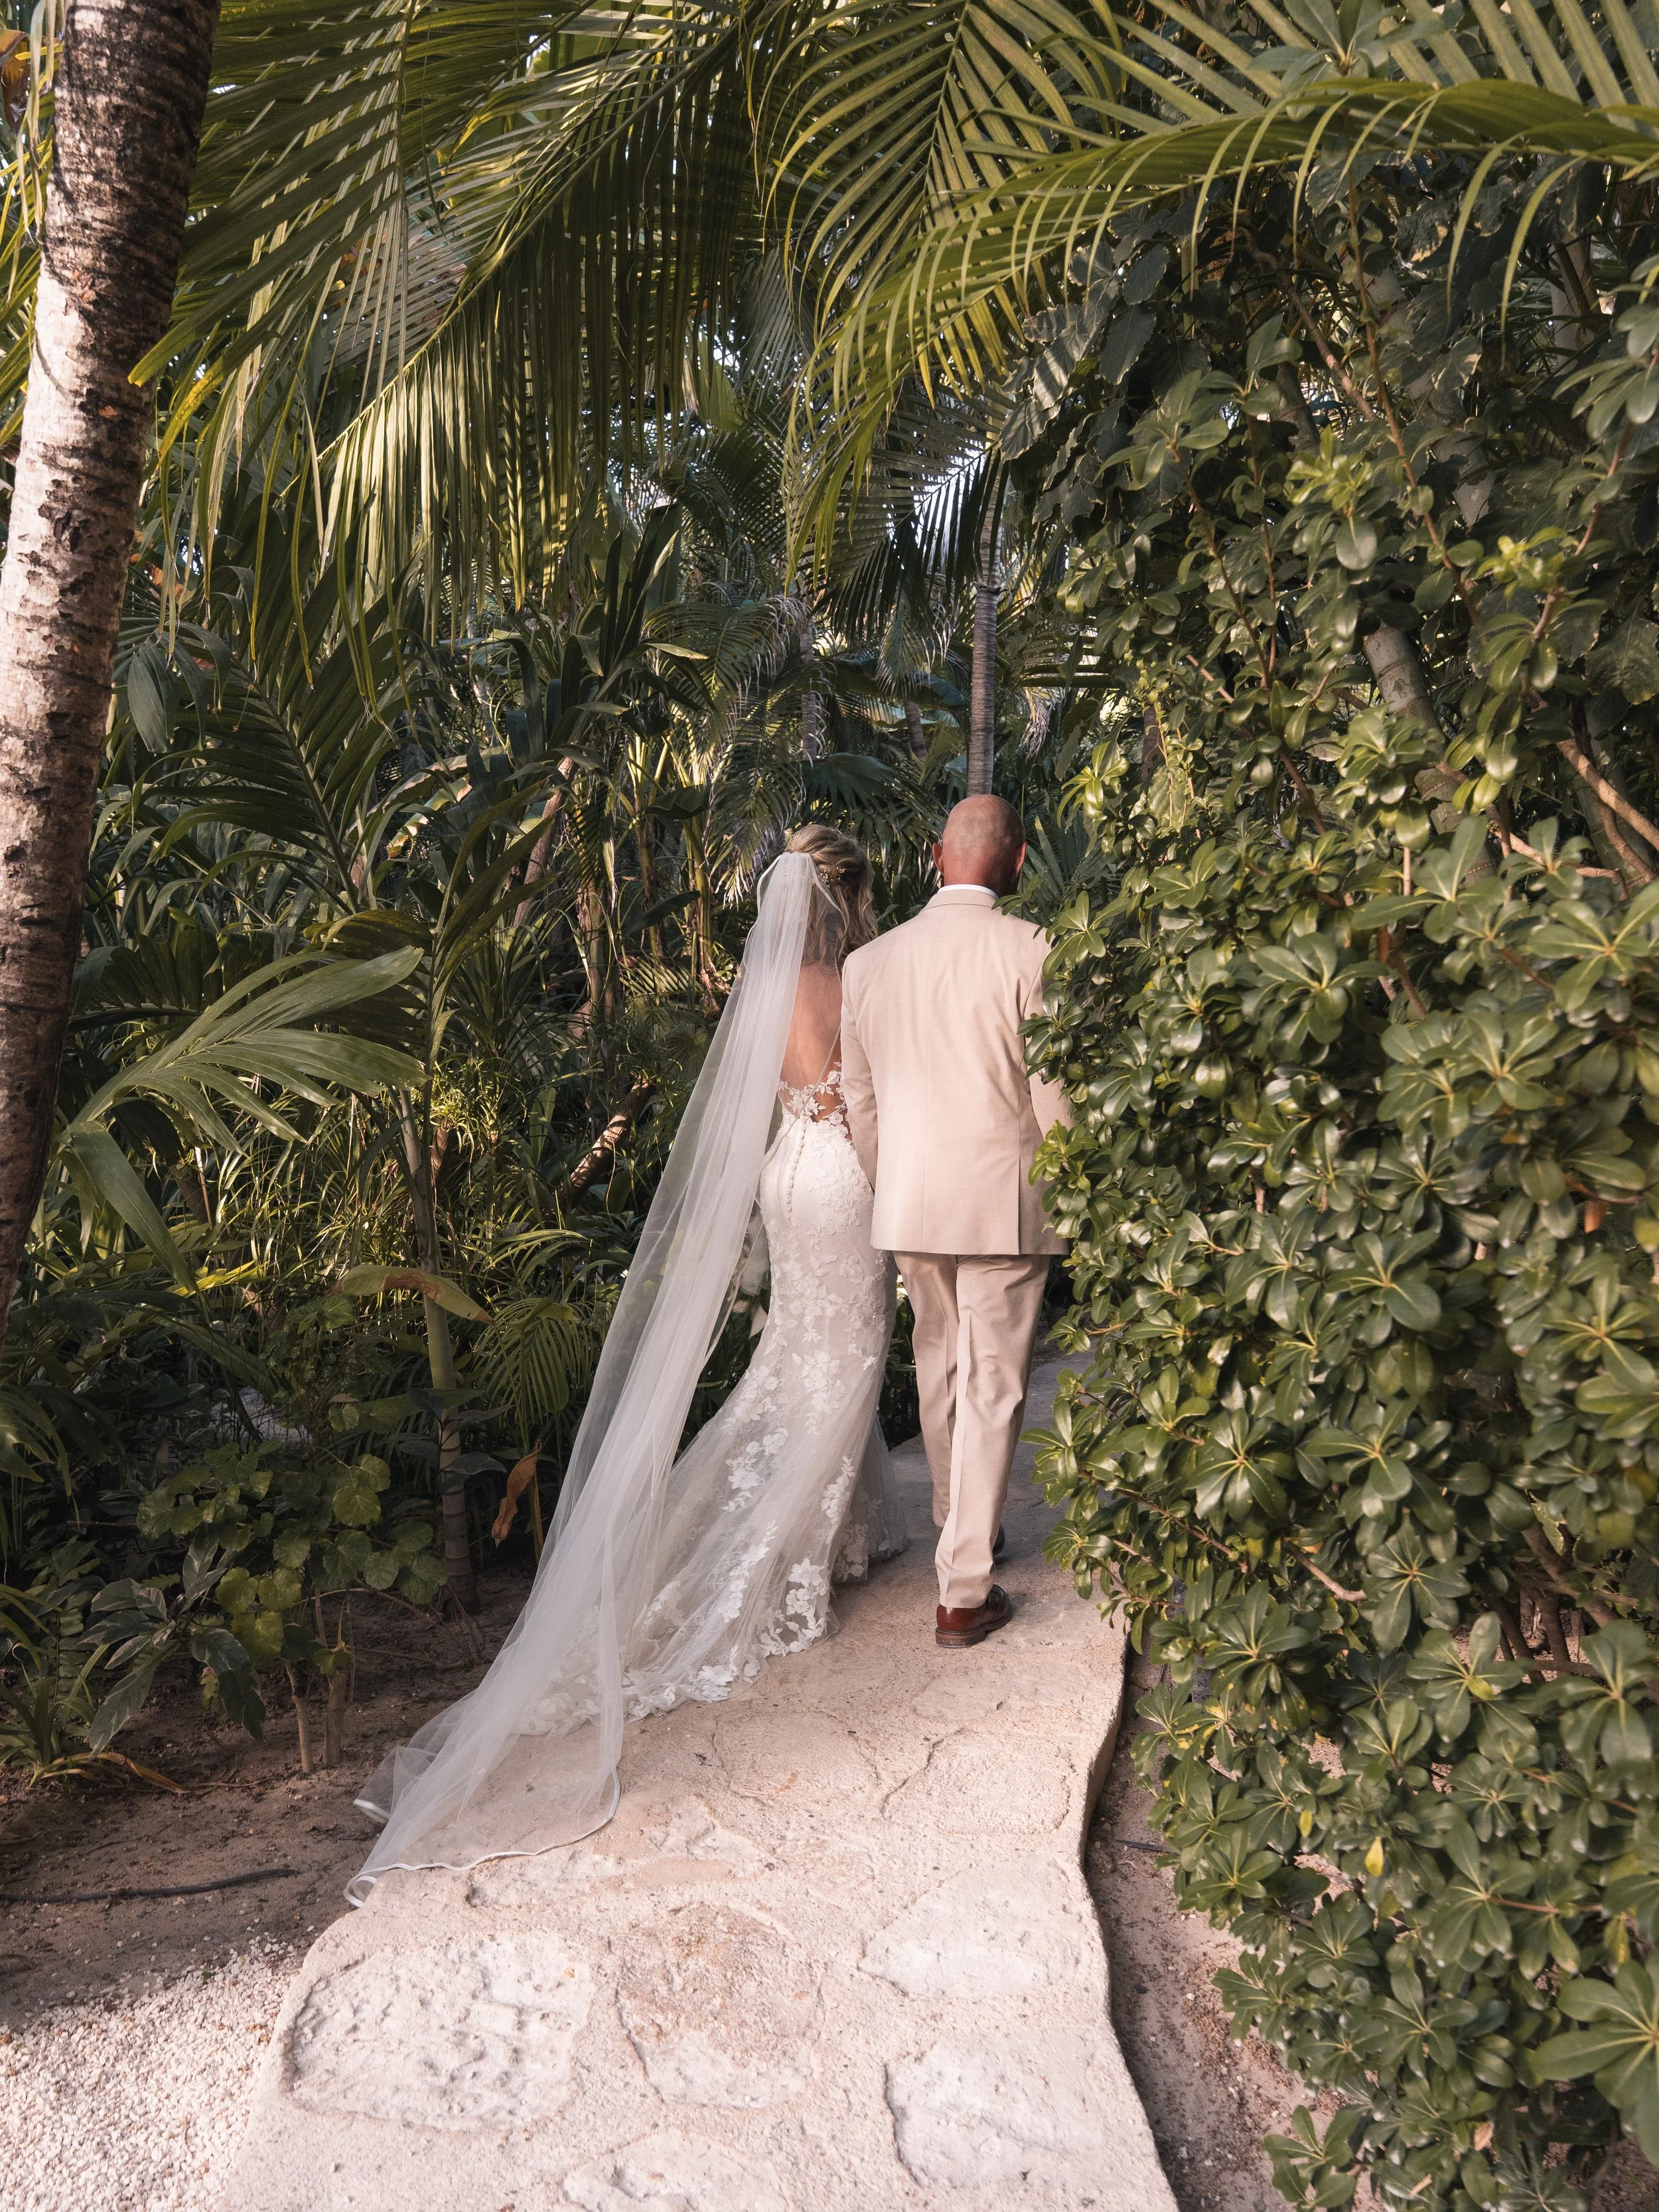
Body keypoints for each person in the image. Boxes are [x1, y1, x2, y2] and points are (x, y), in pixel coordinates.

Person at [346, 828, 904, 1902]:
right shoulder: (854, 976)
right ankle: (782, 1559)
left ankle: (832, 1535)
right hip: (843, 1171)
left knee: (797, 1352)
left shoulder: (761, 983)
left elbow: (767, 1102)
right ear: (848, 898)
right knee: (845, 1356)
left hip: (786, 1172)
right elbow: (862, 1093)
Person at [839, 795, 1069, 1649]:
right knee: (995, 1382)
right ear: (1015, 862)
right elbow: (1054, 1093)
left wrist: (887, 1178)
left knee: (938, 1364)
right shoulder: (1033, 948)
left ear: (937, 856)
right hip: (1002, 1198)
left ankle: (957, 1522)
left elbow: (860, 1103)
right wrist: (1073, 1183)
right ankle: (964, 1590)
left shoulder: (871, 964)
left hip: (909, 1196)